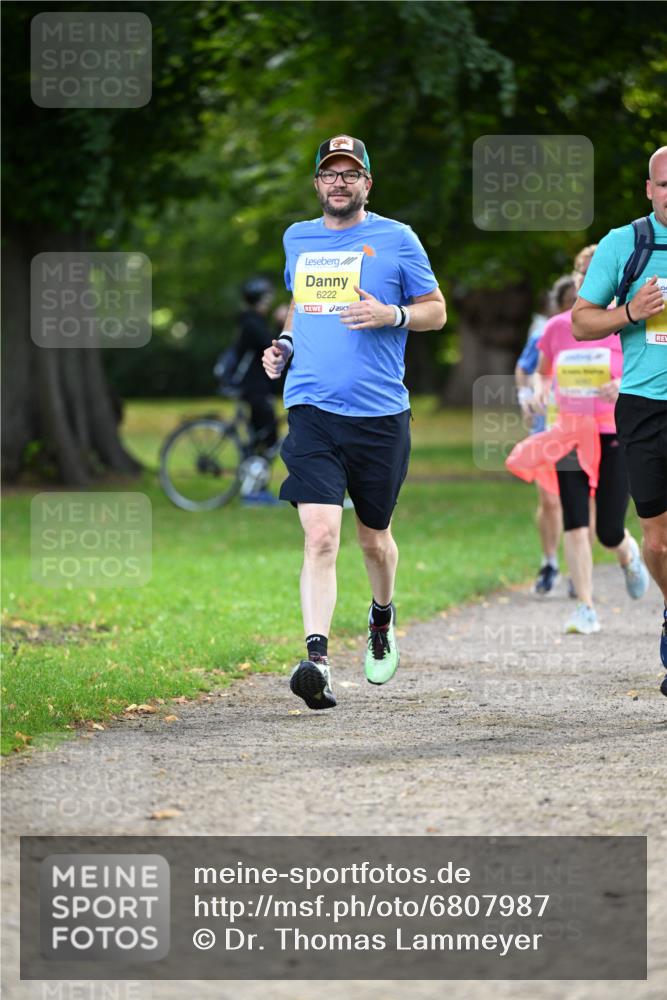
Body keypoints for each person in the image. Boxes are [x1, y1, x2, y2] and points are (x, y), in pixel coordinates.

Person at [262, 134, 445, 709]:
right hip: (311, 407)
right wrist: (286, 343)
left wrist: (391, 313)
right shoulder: (298, 237)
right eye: (329, 173)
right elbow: (299, 303)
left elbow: (437, 311)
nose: (339, 182)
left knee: (374, 539)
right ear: (317, 183)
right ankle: (317, 660)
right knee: (320, 535)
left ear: (367, 182)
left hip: (379, 414)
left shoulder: (398, 238)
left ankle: (381, 619)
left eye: (350, 173)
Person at [572, 146, 667, 686]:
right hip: (646, 406)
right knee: (656, 540)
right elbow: (582, 323)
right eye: (665, 184)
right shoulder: (624, 245)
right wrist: (632, 311)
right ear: (649, 189)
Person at [531, 245, 649, 635]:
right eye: (583, 275)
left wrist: (623, 386)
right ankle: (585, 606)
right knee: (576, 523)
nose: (588, 281)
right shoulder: (558, 328)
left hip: (615, 433)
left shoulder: (631, 326)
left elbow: (649, 375)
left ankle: (627, 551)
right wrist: (539, 391)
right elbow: (543, 372)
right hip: (569, 434)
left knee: (608, 530)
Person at [515, 279, 575, 595]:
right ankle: (550, 562)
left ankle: (580, 568)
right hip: (546, 428)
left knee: (584, 504)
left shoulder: (602, 334)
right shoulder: (546, 333)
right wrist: (526, 397)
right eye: (569, 302)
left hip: (584, 430)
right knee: (550, 500)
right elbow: (524, 369)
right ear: (557, 305)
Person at [235, 277, 282, 505]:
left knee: (261, 438)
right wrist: (282, 324)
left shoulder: (252, 321)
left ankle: (254, 489)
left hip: (256, 388)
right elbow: (271, 346)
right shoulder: (252, 323)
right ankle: (254, 491)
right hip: (255, 388)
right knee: (268, 438)